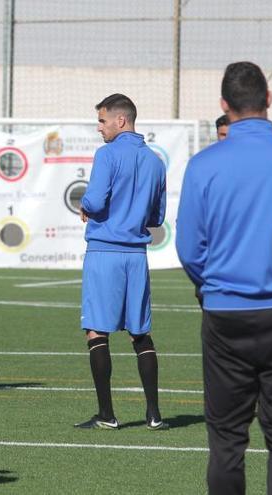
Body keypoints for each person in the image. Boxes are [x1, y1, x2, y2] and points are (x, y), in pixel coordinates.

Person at [176, 62, 272, 494]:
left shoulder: (204, 165)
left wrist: (214, 286)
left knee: (226, 440)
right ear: (270, 100)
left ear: (224, 106)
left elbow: (189, 249)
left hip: (226, 312)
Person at [74, 93, 168, 431]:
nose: (99, 128)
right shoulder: (156, 161)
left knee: (96, 331)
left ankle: (106, 415)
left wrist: (86, 204)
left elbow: (96, 200)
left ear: (120, 120)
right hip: (137, 256)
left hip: (105, 252)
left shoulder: (108, 154)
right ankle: (154, 414)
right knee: (140, 333)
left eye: (102, 121)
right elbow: (157, 217)